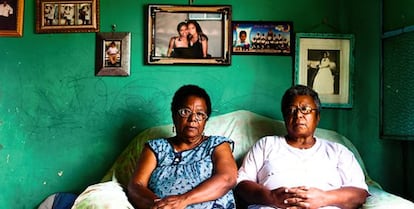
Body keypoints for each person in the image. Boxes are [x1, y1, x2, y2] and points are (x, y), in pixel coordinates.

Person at [235, 85, 368, 209]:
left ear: (317, 117)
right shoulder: (266, 144)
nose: (298, 115)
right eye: (291, 110)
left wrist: (324, 198)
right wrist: (271, 197)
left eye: (305, 109)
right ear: (285, 117)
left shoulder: (338, 151)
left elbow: (360, 193)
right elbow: (241, 184)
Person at [127, 84, 237, 209]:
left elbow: (228, 178)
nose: (192, 119)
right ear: (174, 116)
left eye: (200, 114)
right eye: (185, 112)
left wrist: (183, 200)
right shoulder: (155, 148)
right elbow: (136, 186)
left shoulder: (217, 145)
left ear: (205, 120)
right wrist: (159, 205)